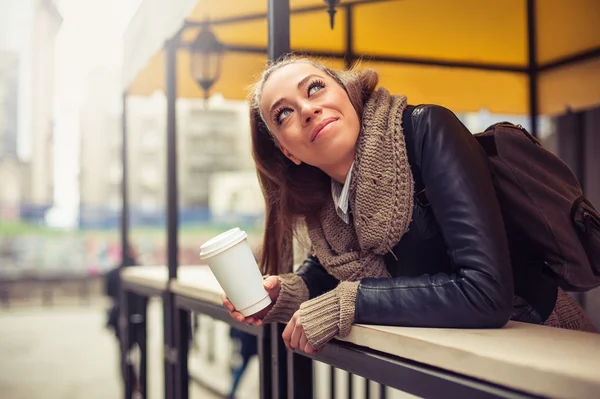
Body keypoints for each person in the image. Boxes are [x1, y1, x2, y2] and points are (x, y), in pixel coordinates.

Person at [222, 56, 597, 355]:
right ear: (288, 151)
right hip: (453, 365)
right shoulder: (329, 200)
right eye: (283, 113)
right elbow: (332, 268)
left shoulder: (425, 131)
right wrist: (285, 295)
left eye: (315, 88)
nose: (306, 109)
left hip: (535, 347)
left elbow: (487, 292)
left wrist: (350, 302)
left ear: (347, 93)